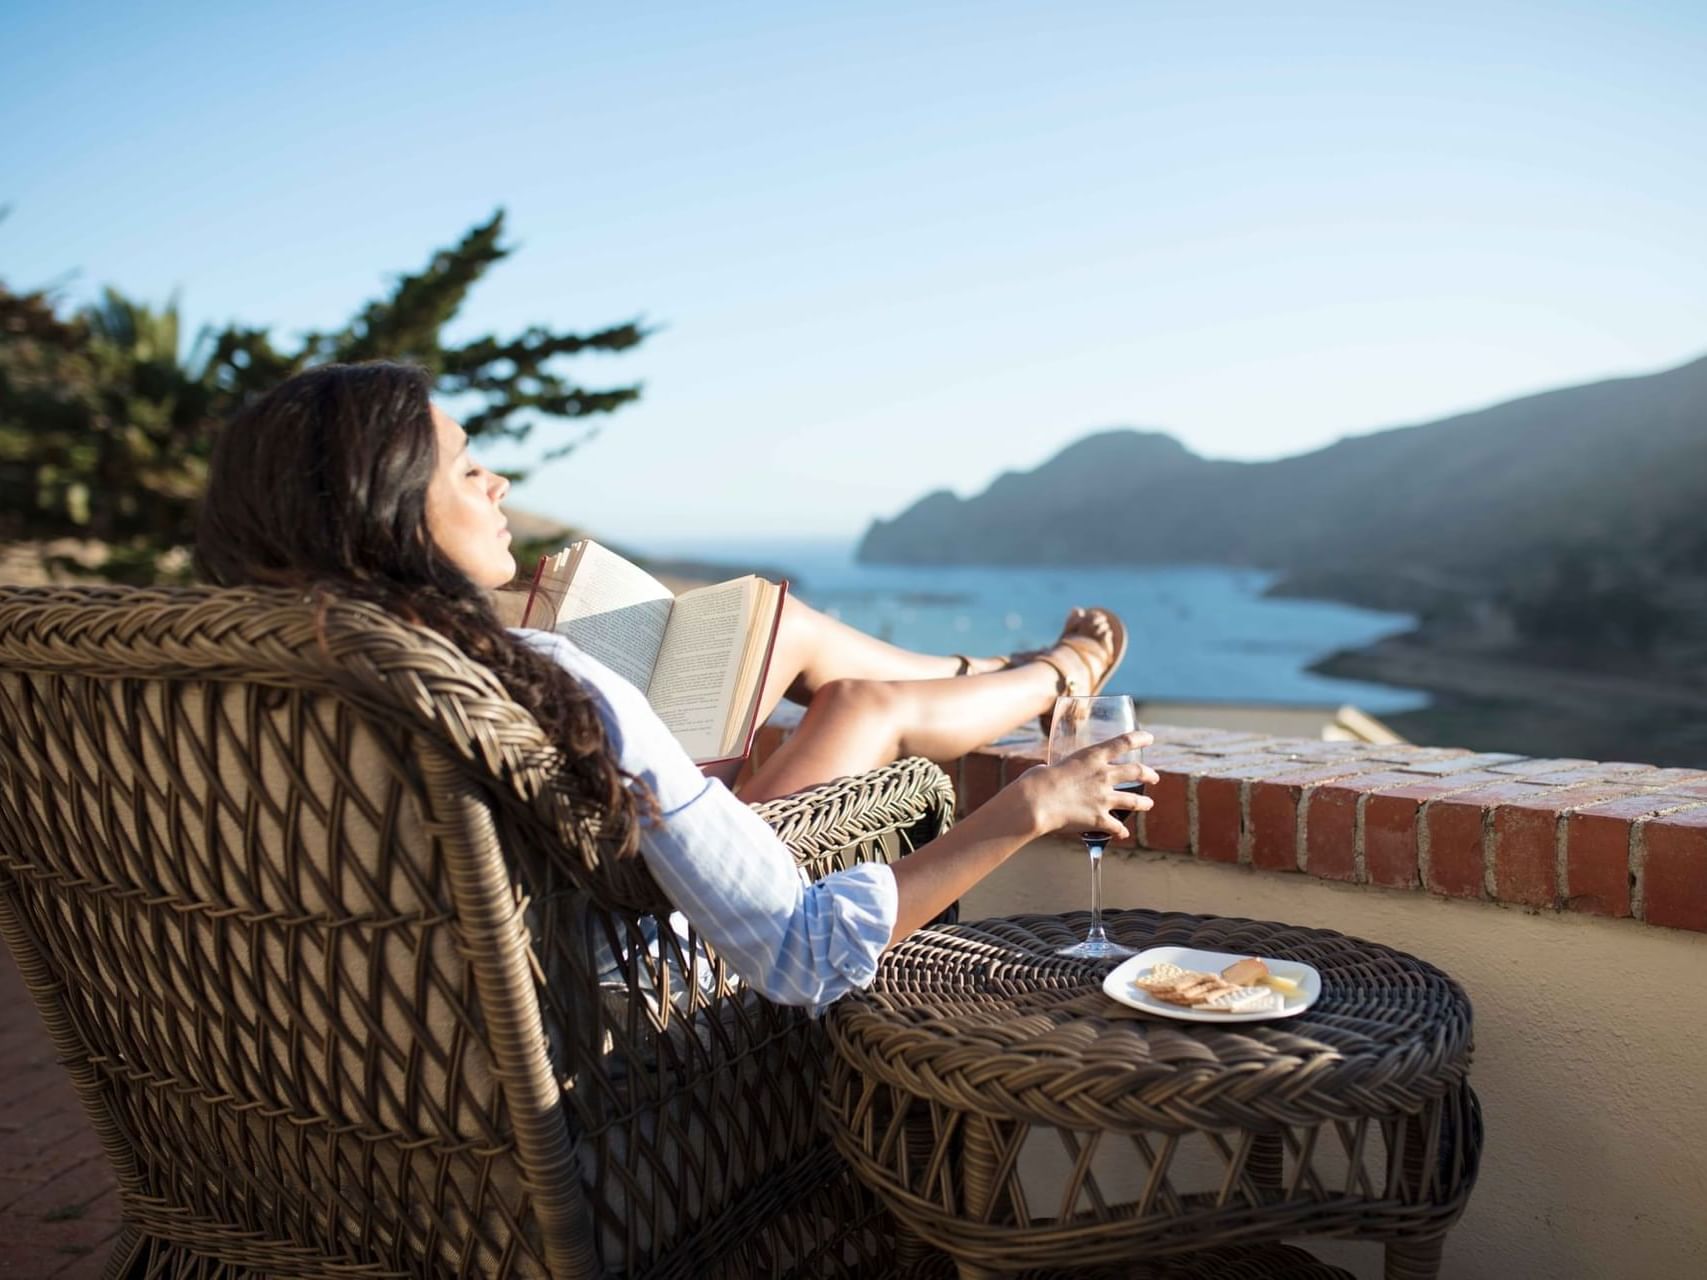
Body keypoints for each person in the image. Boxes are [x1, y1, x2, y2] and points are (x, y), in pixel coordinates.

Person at [195, 362, 1155, 1011]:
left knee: (834, 679)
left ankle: (1019, 673)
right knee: (863, 704)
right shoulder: (510, 680)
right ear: (386, 503)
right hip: (622, 1014)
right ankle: (1046, 675)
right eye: (470, 466)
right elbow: (801, 957)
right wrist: (1028, 806)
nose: (497, 485)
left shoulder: (223, 684)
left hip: (344, 1062)